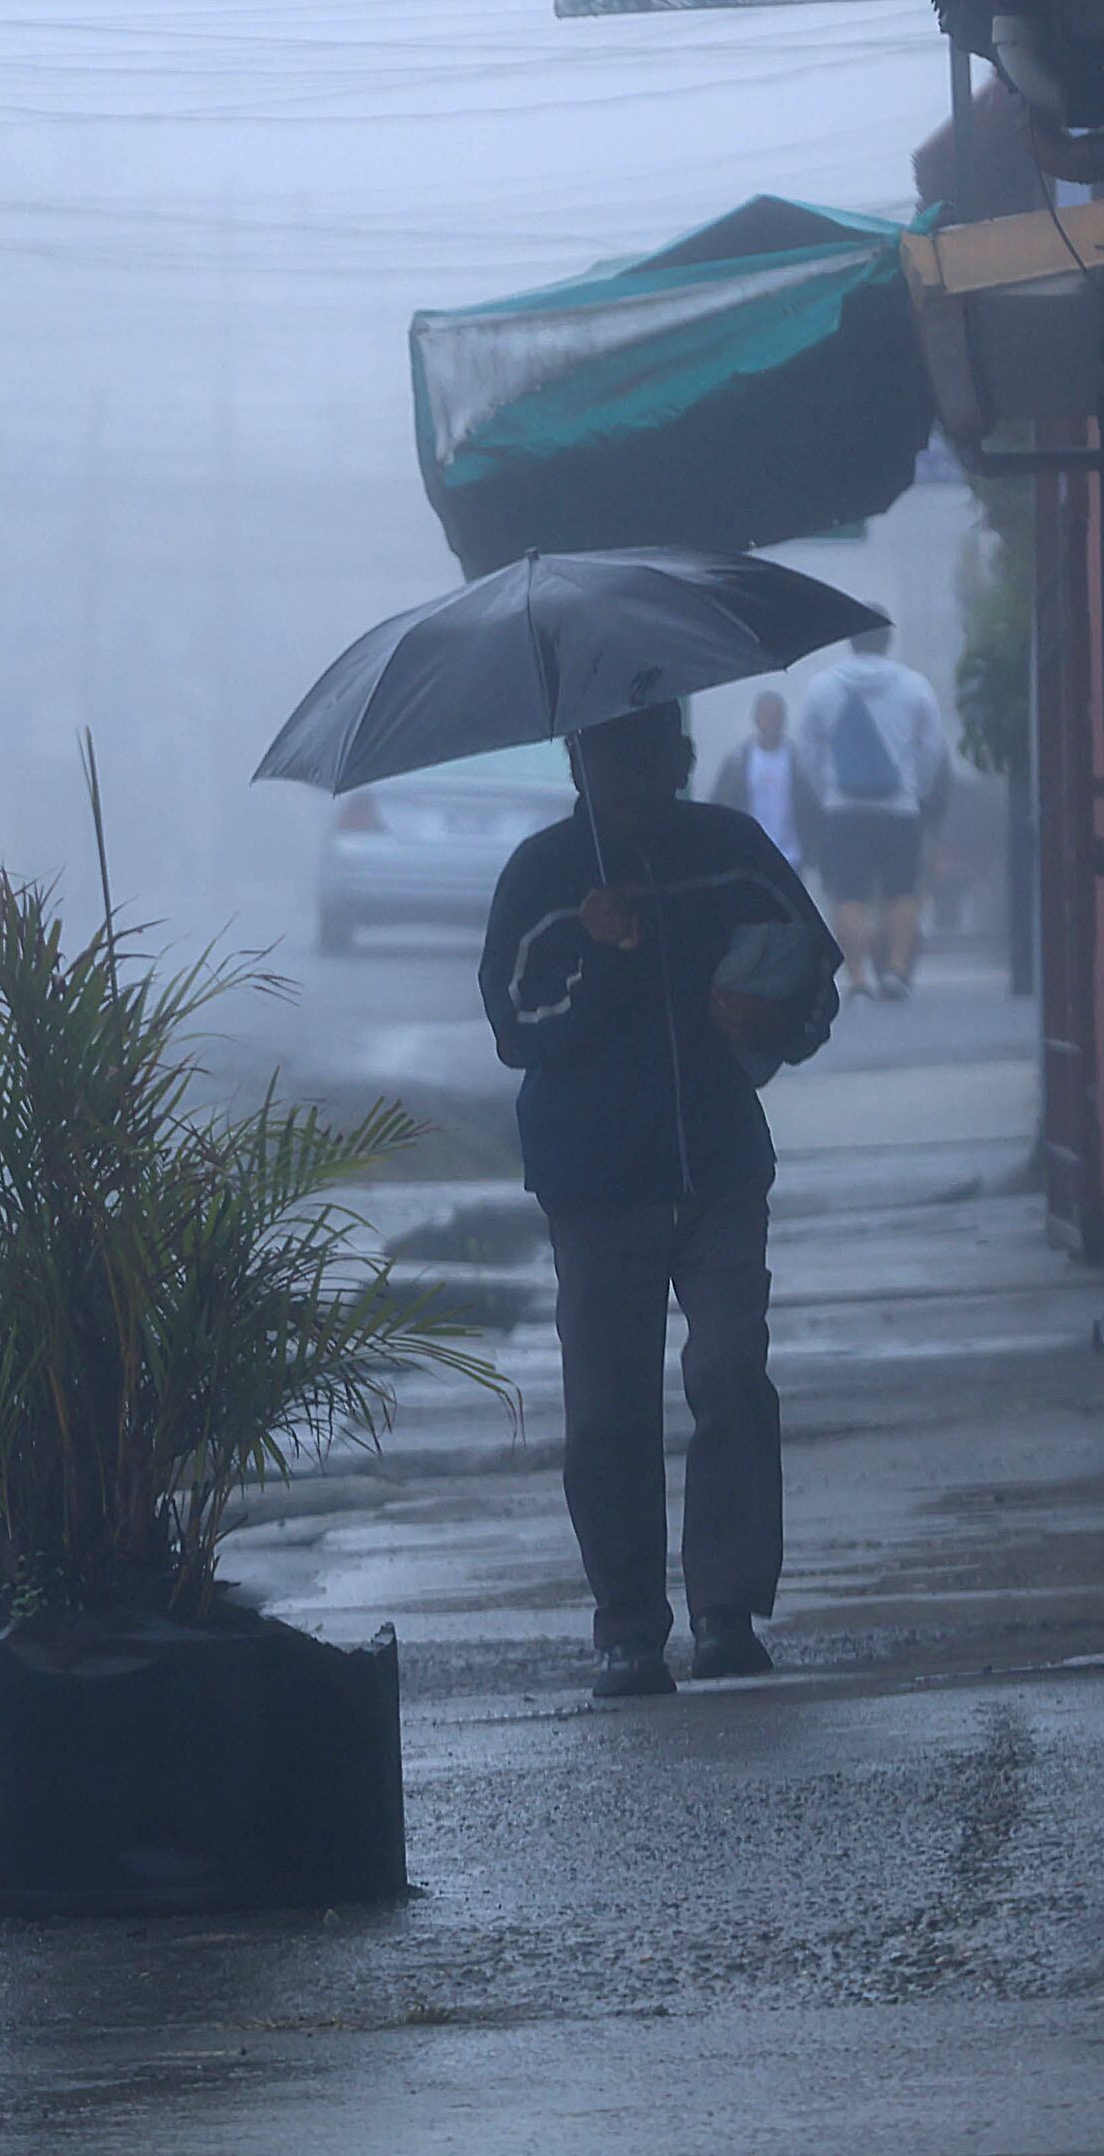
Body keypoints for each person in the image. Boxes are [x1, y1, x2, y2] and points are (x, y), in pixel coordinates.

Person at [479, 702, 841, 1702]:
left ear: (678, 759)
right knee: (607, 1409)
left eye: (650, 757)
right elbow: (515, 1021)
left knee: (728, 1370)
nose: (632, 779)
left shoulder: (729, 851)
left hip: (720, 1164)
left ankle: (727, 1611)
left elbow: (812, 973)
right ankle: (628, 1627)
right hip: (593, 1180)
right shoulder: (545, 876)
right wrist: (595, 951)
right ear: (577, 761)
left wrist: (768, 1018)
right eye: (609, 757)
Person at [794, 628, 950, 1001]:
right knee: (902, 891)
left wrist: (825, 789)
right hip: (899, 808)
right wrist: (918, 789)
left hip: (843, 808)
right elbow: (931, 747)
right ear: (887, 641)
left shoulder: (822, 687)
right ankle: (896, 970)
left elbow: (806, 748)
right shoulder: (914, 686)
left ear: (851, 641)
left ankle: (858, 978)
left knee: (848, 894)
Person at [706, 689, 806, 867]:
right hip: (749, 854)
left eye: (776, 716)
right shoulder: (737, 762)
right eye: (767, 716)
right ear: (756, 719)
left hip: (791, 857)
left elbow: (811, 808)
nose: (772, 722)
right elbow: (721, 803)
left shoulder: (797, 761)